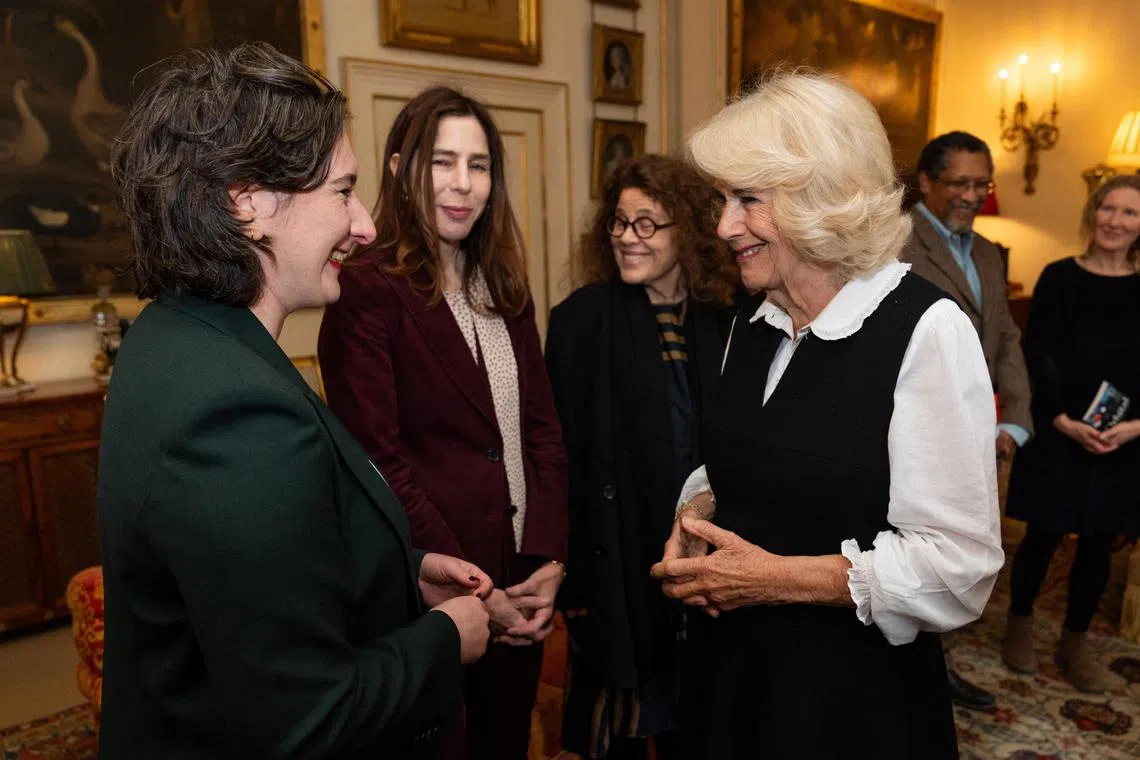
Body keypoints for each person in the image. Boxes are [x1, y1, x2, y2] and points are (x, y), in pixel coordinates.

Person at [98, 43, 492, 760]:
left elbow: (250, 573)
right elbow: (305, 718)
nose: (365, 224)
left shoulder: (175, 332)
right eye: (343, 192)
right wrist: (443, 638)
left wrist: (403, 573)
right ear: (248, 203)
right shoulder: (233, 410)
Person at [649, 72, 1003, 758]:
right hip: (732, 681)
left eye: (747, 200)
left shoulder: (926, 330)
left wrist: (774, 579)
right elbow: (745, 457)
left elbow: (960, 568)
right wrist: (692, 517)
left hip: (849, 703)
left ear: (822, 198)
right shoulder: (752, 318)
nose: (723, 226)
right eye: (723, 199)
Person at [318, 86, 568, 760]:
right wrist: (476, 587)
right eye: (442, 162)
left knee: (504, 743)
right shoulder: (365, 290)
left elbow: (540, 431)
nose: (463, 185)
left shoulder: (504, 285)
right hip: (435, 591)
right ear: (400, 168)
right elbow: (380, 462)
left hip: (522, 576)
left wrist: (548, 558)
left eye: (479, 165)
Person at [546, 154, 738, 759]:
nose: (629, 238)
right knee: (622, 725)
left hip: (708, 556)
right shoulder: (581, 320)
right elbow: (562, 458)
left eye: (648, 224)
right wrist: (570, 574)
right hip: (619, 561)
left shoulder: (725, 320)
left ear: (687, 230)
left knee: (700, 721)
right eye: (620, 223)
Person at [900, 130, 1033, 712]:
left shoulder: (986, 251)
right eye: (960, 182)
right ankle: (918, 676)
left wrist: (1017, 421)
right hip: (923, 431)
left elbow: (1004, 334)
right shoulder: (897, 244)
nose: (973, 195)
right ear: (927, 182)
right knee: (920, 553)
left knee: (968, 555)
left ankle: (939, 668)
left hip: (985, 434)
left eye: (982, 184)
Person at [1002, 174, 1140, 692]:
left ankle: (1074, 645)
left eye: (1130, 213)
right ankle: (1019, 625)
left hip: (1123, 440)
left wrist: (1131, 429)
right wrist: (1060, 418)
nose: (1115, 220)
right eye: (1108, 208)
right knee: (1042, 535)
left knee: (1100, 545)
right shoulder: (1059, 276)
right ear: (1093, 213)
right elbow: (1039, 353)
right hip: (1059, 430)